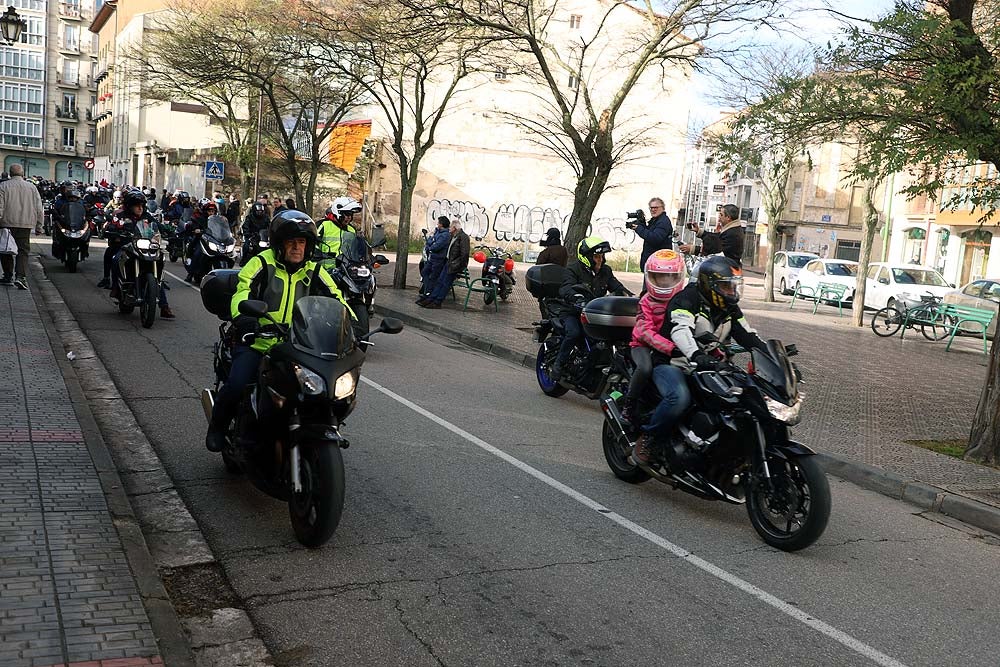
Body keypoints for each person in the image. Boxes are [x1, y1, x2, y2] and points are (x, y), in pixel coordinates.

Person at [205, 210, 352, 453]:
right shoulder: (261, 263)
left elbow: (337, 299)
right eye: (291, 242)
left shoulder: (315, 272)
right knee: (238, 383)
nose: (297, 248)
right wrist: (244, 319)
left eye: (302, 242)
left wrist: (351, 327)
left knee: (325, 390)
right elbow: (243, 290)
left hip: (300, 347)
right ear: (280, 244)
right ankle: (218, 426)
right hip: (259, 341)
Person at [638, 255, 767, 468]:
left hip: (710, 366)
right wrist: (697, 355)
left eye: (734, 287)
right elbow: (681, 332)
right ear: (709, 284)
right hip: (672, 363)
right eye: (726, 287)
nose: (732, 292)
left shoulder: (729, 308)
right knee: (678, 398)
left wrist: (772, 357)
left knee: (741, 400)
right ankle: (650, 438)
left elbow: (747, 335)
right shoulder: (687, 299)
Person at [625, 249, 687, 464]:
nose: (664, 281)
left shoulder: (680, 300)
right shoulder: (646, 300)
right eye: (659, 276)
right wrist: (670, 348)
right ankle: (629, 405)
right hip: (642, 345)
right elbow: (645, 332)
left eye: (669, 276)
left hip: (668, 348)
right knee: (645, 368)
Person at [549, 236, 626, 380]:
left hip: (595, 314)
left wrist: (634, 298)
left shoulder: (606, 271)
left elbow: (618, 288)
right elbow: (566, 288)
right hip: (573, 311)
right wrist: (577, 298)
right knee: (573, 333)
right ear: (587, 257)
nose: (600, 260)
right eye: (597, 256)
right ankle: (558, 365)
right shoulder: (573, 269)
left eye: (602, 256)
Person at [110, 189, 175, 319]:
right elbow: (112, 226)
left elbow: (157, 226)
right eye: (136, 205)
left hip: (146, 247)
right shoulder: (121, 215)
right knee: (116, 259)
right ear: (129, 205)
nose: (140, 208)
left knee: (159, 265)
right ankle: (117, 288)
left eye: (141, 205)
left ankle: (164, 306)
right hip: (128, 247)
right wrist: (114, 232)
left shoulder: (147, 216)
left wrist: (169, 230)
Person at [0, 164, 44, 290]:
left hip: (6, 223)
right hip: (25, 224)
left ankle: (8, 275)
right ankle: (21, 277)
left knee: (5, 248)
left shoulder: (3, 186)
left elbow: (0, 206)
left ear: (10, 173)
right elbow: (39, 208)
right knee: (23, 251)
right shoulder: (31, 187)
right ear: (22, 173)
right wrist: (39, 226)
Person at [419, 219, 470, 309]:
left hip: (454, 264)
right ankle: (432, 298)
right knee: (440, 281)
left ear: (454, 228)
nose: (449, 228)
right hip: (448, 262)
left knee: (445, 283)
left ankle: (438, 301)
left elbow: (464, 253)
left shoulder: (463, 237)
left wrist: (460, 265)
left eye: (450, 227)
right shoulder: (453, 236)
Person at [630, 197, 674, 269]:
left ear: (662, 208)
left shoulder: (663, 222)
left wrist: (639, 228)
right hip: (655, 264)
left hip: (659, 265)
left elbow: (655, 239)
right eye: (651, 208)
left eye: (655, 207)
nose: (653, 210)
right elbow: (649, 234)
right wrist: (641, 224)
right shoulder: (655, 220)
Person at [418, 216, 451, 301]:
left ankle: (429, 293)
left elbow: (436, 246)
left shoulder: (445, 235)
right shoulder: (437, 232)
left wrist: (431, 245)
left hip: (438, 259)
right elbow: (430, 240)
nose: (437, 224)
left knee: (433, 277)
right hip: (432, 258)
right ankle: (426, 290)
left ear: (442, 224)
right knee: (424, 272)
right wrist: (431, 243)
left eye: (438, 222)